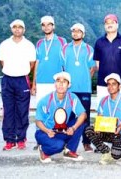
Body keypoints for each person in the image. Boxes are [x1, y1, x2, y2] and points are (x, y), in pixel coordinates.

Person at [0, 19, 36, 150]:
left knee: (22, 110)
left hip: (22, 80)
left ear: (24, 30)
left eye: (20, 27)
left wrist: (20, 72)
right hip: (7, 80)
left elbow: (32, 64)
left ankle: (21, 139)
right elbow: (2, 62)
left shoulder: (29, 45)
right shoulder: (4, 44)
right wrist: (11, 71)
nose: (17, 29)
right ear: (11, 29)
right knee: (8, 110)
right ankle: (9, 140)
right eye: (15, 27)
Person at [35, 71, 86, 163]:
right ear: (55, 84)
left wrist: (73, 128)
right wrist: (47, 130)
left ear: (69, 85)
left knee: (81, 122)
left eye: (64, 81)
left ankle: (69, 151)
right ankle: (43, 150)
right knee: (59, 145)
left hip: (61, 129)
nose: (61, 84)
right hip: (45, 131)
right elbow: (38, 121)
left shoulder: (72, 97)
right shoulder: (45, 100)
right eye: (58, 81)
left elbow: (83, 114)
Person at [85, 73, 121, 165]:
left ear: (119, 86)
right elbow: (99, 118)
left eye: (114, 84)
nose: (111, 86)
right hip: (108, 132)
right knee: (89, 130)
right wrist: (98, 127)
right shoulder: (103, 100)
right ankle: (106, 152)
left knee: (116, 155)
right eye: (108, 84)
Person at [61, 23, 95, 152]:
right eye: (73, 31)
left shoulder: (89, 49)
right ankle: (66, 141)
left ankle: (86, 143)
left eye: (79, 31)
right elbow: (63, 67)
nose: (76, 33)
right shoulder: (65, 48)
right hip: (69, 89)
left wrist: (85, 79)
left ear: (83, 34)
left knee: (84, 116)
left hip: (84, 88)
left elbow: (92, 67)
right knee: (68, 116)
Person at [93, 14, 121, 106]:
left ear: (117, 24)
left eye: (112, 22)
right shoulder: (99, 42)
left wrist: (119, 76)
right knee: (103, 111)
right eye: (107, 23)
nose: (109, 25)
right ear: (104, 26)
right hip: (103, 84)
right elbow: (98, 62)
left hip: (120, 84)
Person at [32, 15, 66, 104]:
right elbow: (37, 63)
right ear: (42, 27)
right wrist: (34, 83)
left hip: (56, 82)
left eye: (49, 24)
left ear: (53, 26)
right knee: (41, 109)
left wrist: (65, 82)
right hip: (41, 82)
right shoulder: (39, 43)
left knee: (56, 111)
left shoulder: (62, 41)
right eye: (43, 25)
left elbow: (65, 63)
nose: (46, 27)